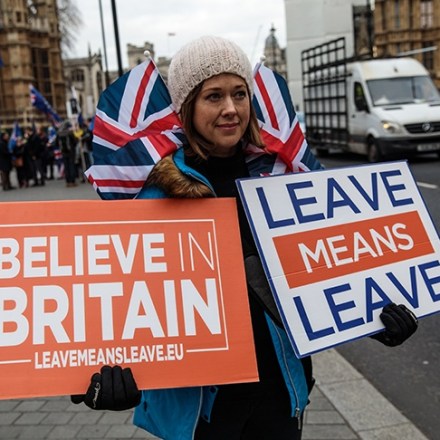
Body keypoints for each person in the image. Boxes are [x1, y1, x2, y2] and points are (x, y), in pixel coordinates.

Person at [73, 36, 418, 440]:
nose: (231, 108)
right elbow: (114, 302)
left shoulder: (285, 180)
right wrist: (97, 379)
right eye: (213, 96)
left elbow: (329, 271)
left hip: (278, 395)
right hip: (201, 411)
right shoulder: (150, 196)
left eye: (239, 93)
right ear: (186, 107)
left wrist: (375, 318)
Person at [56, 120, 78, 187]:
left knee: (66, 166)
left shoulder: (59, 133)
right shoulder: (70, 133)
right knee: (71, 166)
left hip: (63, 152)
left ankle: (67, 181)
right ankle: (72, 181)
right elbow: (75, 142)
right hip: (71, 151)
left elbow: (56, 143)